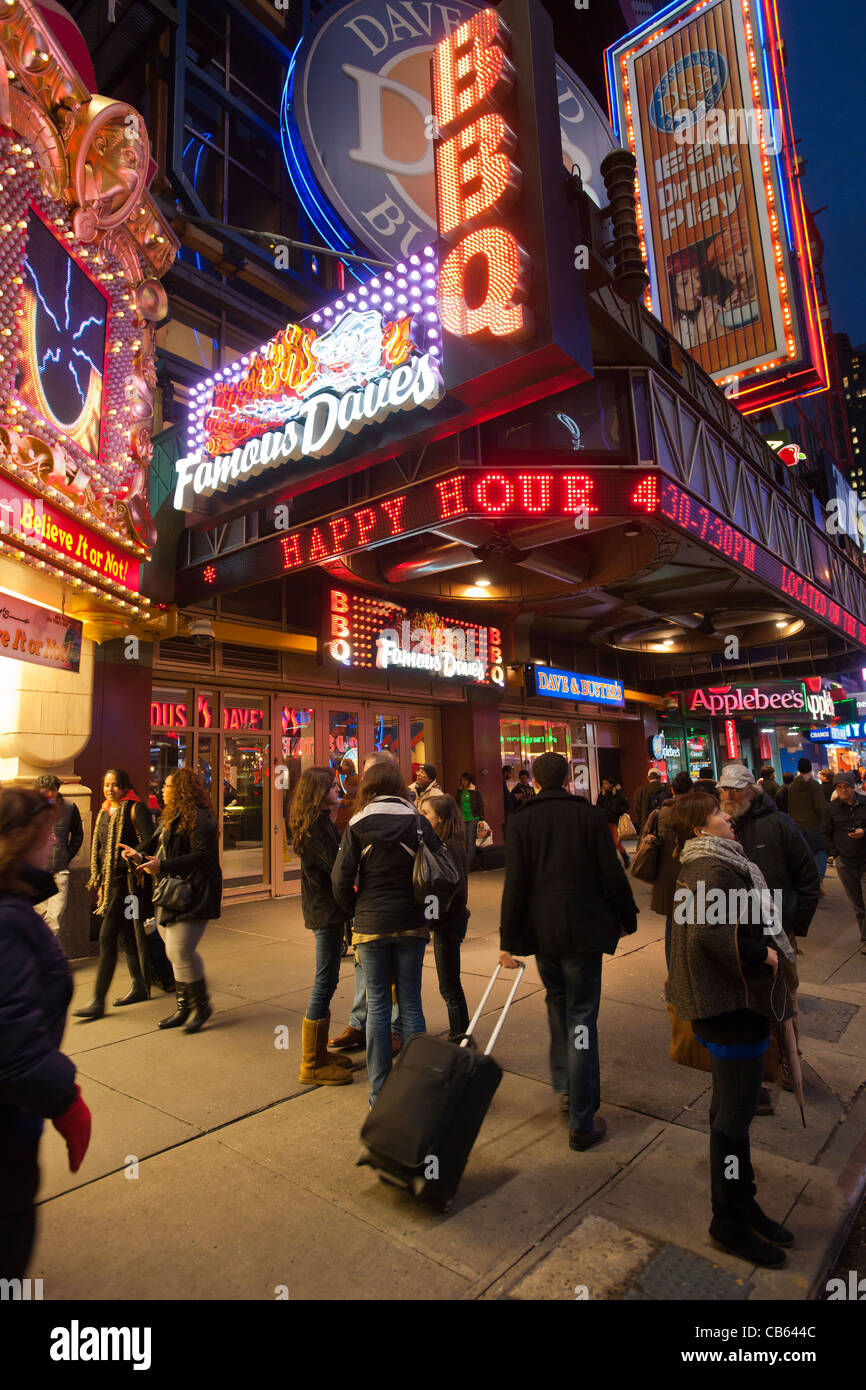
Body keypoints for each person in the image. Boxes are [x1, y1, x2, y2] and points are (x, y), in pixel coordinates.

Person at [666, 789, 796, 1267]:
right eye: (718, 814)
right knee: (733, 1121)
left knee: (729, 1111)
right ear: (701, 829)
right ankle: (729, 1220)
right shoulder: (711, 867)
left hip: (724, 1001)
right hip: (728, 1005)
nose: (727, 817)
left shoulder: (708, 860)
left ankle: (743, 1205)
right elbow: (704, 934)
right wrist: (763, 954)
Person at [499, 752, 638, 1152]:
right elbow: (610, 871)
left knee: (557, 1003)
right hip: (583, 928)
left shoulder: (522, 820)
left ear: (537, 781)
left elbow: (516, 884)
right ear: (569, 778)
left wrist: (508, 939)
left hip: (543, 932)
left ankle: (565, 1088)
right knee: (581, 1016)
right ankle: (581, 1116)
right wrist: (627, 915)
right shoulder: (588, 816)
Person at [0, 788, 92, 1279]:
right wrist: (66, 1099)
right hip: (11, 1113)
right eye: (46, 834)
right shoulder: (9, 920)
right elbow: (10, 1038)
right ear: (19, 841)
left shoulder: (16, 902)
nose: (54, 841)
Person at [332, 760, 443, 1105]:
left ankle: (379, 1093)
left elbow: (340, 879)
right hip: (411, 922)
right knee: (411, 1001)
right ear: (399, 786)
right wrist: (431, 913)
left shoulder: (356, 824)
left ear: (368, 787)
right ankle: (416, 1087)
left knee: (378, 1006)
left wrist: (353, 913)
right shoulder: (419, 822)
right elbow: (442, 868)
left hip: (370, 925)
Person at [717, 763, 819, 1109]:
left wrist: (794, 924)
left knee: (782, 999)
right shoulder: (719, 826)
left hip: (776, 928)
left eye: (736, 789)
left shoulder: (778, 824)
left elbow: (807, 877)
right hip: (735, 931)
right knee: (743, 1002)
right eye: (724, 790)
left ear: (752, 790)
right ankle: (757, 1071)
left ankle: (790, 1060)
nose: (729, 796)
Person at [122, 768, 222, 1033]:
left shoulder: (203, 819)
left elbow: (202, 856)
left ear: (180, 789)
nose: (162, 790)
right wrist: (139, 855)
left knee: (180, 950)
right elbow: (156, 847)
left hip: (194, 893)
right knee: (174, 950)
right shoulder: (171, 817)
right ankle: (185, 1007)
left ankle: (199, 1006)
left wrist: (161, 866)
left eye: (167, 786)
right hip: (170, 892)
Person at [330, 752, 403, 1056]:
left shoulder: (408, 814)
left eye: (372, 774)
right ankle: (359, 1023)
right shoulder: (359, 816)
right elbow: (342, 873)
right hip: (368, 911)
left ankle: (395, 1031)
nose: (365, 780)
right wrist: (352, 906)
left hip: (398, 913)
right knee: (363, 969)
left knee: (400, 976)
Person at [287, 768, 353, 1085]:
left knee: (328, 979)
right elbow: (336, 866)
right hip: (324, 911)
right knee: (324, 981)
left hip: (327, 909)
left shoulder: (321, 822)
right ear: (318, 790)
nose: (337, 788)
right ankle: (311, 1063)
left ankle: (320, 1054)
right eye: (331, 785)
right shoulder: (316, 827)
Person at [73, 769, 154, 1020]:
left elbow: (151, 839)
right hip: (110, 883)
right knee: (126, 933)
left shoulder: (134, 808)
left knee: (107, 937)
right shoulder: (104, 812)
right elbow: (99, 848)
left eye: (115, 785)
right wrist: (100, 880)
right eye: (107, 785)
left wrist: (135, 852)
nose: (110, 789)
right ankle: (139, 985)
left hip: (127, 882)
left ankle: (98, 1001)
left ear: (124, 786)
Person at [420, 794, 470, 1040]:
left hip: (448, 924)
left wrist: (432, 918)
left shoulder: (447, 847)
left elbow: (451, 889)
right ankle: (460, 1032)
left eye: (426, 813)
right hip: (451, 922)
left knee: (449, 985)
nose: (421, 817)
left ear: (439, 818)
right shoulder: (450, 844)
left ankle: (460, 1036)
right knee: (450, 983)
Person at [649, 770, 693, 968]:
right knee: (695, 926)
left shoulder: (662, 812)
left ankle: (673, 974)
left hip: (668, 876)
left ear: (672, 790)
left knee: (671, 926)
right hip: (692, 875)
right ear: (692, 790)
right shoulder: (698, 811)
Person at [32, 774, 83, 941]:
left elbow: (77, 834)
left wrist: (67, 855)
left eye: (51, 790)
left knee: (53, 920)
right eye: (43, 791)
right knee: (37, 917)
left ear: (57, 790)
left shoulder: (69, 807)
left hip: (59, 871)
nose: (47, 794)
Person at [821, 772, 866, 955]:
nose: (843, 790)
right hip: (845, 862)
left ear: (852, 786)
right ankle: (865, 938)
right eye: (839, 787)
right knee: (857, 904)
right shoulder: (831, 809)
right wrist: (835, 854)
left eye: (846, 786)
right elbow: (824, 833)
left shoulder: (864, 803)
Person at [787, 757, 829, 889]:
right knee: (821, 852)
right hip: (814, 825)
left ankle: (806, 881)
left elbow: (790, 806)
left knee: (804, 855)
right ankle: (818, 879)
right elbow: (820, 807)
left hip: (797, 826)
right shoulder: (815, 785)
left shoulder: (793, 786)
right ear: (810, 768)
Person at [596, 778, 631, 869]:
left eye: (606, 783)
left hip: (615, 821)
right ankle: (612, 862)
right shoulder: (602, 795)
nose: (604, 785)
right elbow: (598, 806)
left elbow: (626, 805)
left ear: (611, 784)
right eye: (603, 783)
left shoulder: (618, 794)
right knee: (606, 843)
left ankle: (624, 856)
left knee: (616, 842)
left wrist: (618, 811)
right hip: (605, 821)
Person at [455, 771, 484, 871]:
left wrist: (481, 819)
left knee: (471, 841)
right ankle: (464, 863)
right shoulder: (459, 791)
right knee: (463, 841)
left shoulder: (475, 791)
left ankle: (468, 864)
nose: (463, 782)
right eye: (462, 780)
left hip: (473, 818)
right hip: (462, 818)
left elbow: (481, 805)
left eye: (465, 780)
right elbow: (456, 804)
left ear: (469, 780)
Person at [632, 769, 671, 835]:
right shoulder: (667, 789)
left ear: (648, 778)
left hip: (646, 826)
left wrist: (640, 824)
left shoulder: (640, 791)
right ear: (659, 777)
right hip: (665, 825)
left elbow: (637, 810)